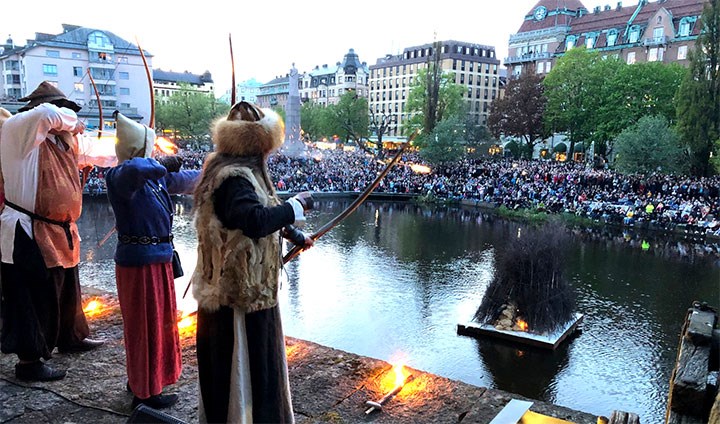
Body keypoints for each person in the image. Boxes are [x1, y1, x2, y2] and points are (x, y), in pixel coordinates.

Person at [192, 101, 314, 423]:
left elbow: (261, 210)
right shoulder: (233, 178)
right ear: (259, 144)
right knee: (245, 375)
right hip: (237, 299)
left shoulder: (235, 172)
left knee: (260, 371)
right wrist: (295, 206)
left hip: (251, 292)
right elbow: (253, 219)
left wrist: (294, 234)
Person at [0, 82, 106, 382]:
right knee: (33, 296)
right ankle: (29, 361)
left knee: (67, 287)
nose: (67, 117)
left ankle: (70, 337)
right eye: (65, 110)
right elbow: (47, 113)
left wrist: (140, 148)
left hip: (62, 230)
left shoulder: (64, 141)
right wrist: (73, 121)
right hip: (27, 230)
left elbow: (102, 153)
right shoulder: (18, 132)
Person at [105, 111, 200, 409]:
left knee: (159, 326)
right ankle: (144, 393)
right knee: (143, 328)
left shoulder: (154, 180)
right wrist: (159, 163)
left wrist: (219, 165)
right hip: (139, 264)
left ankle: (145, 381)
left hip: (157, 260)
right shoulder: (121, 176)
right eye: (150, 146)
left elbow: (190, 181)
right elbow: (134, 170)